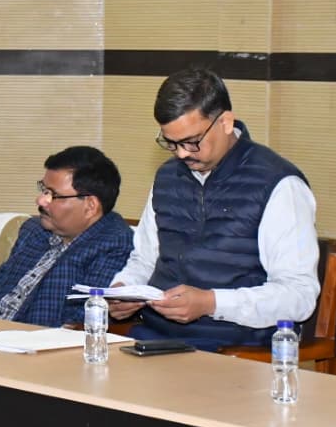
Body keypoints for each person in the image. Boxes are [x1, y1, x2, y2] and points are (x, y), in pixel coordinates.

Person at [109, 67, 320, 352]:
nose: (182, 153)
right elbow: (145, 260)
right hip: (154, 338)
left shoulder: (279, 184)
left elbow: (299, 295)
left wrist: (211, 303)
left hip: (237, 348)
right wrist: (124, 289)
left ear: (225, 122)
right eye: (171, 143)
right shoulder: (168, 176)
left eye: (192, 141)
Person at [0, 146, 133, 327]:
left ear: (90, 206)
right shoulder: (34, 231)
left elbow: (78, 322)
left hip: (30, 341)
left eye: (52, 194)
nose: (40, 200)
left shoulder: (113, 245)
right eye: (43, 190)